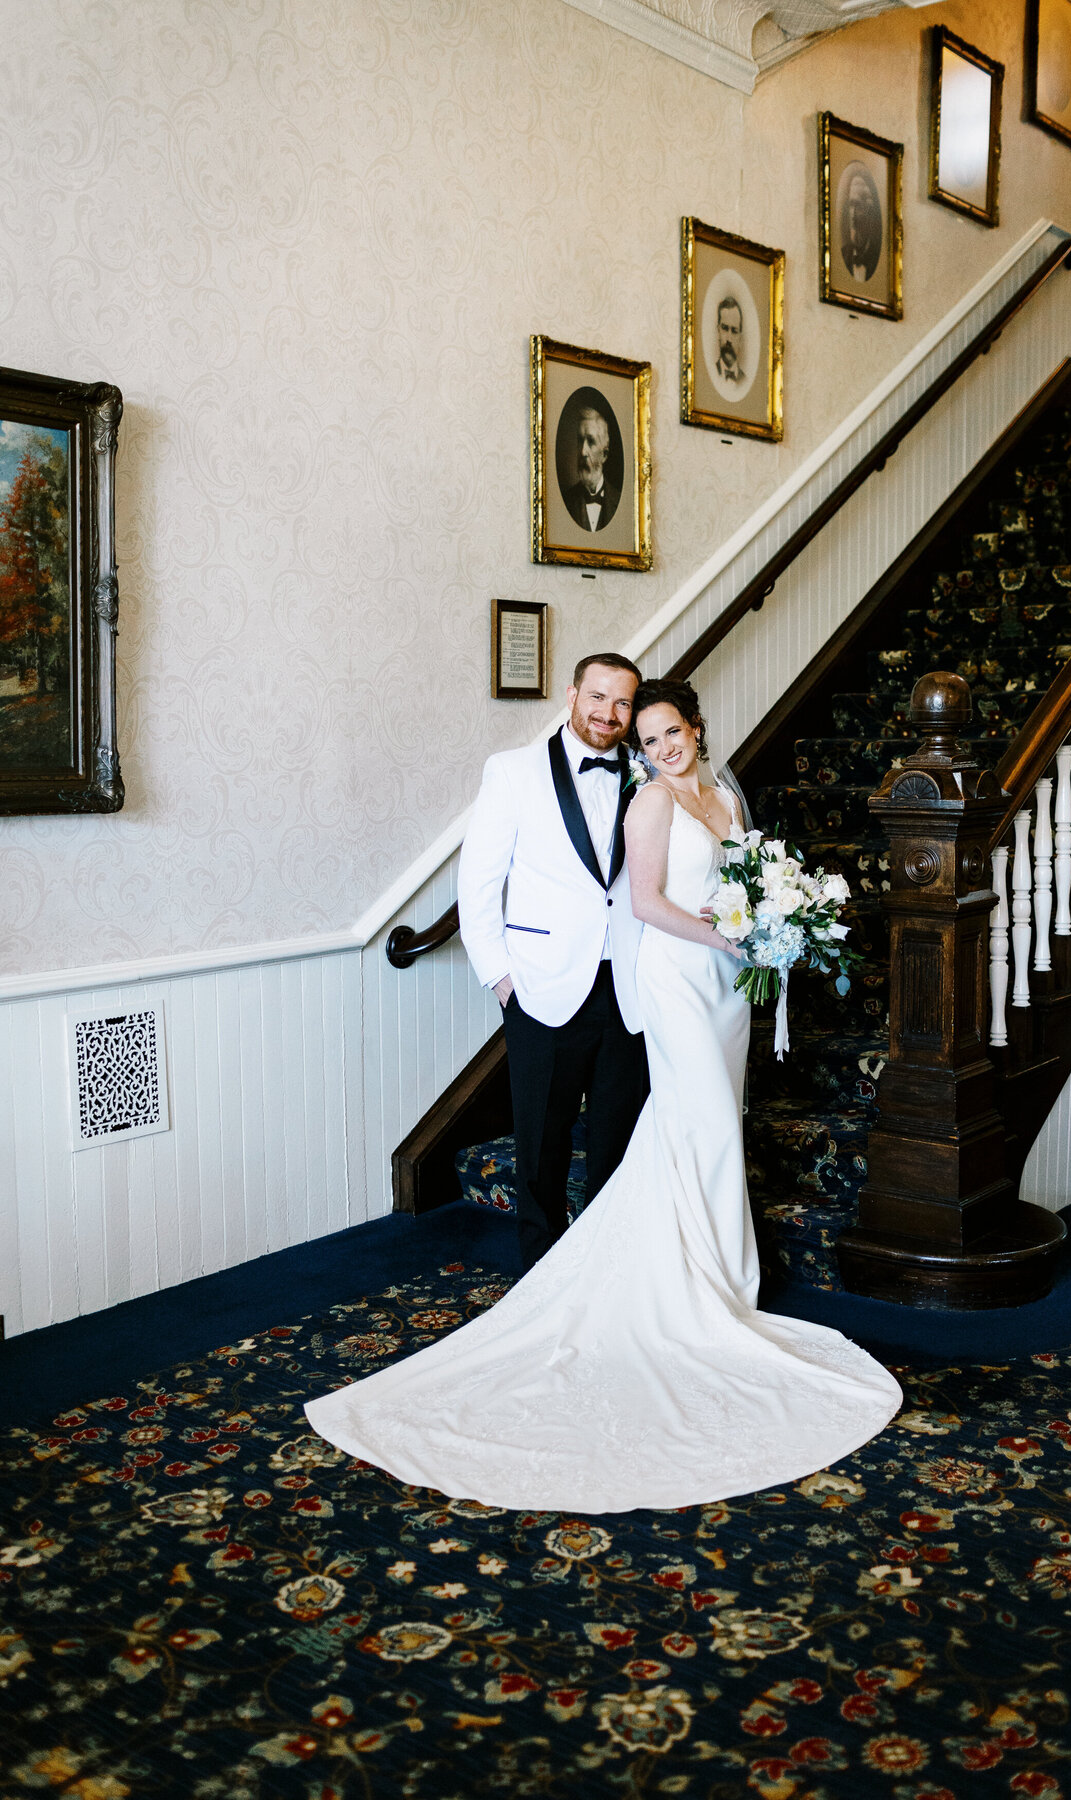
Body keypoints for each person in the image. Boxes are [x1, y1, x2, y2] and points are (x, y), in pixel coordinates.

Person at [304, 677, 902, 1513]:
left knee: (701, 1124)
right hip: (672, 976)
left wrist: (771, 925)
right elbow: (645, 901)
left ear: (694, 728)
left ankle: (719, 1281)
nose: (658, 746)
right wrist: (722, 934)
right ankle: (703, 1290)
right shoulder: (639, 802)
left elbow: (742, 876)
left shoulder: (726, 791)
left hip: (726, 986)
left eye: (667, 732)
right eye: (645, 736)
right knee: (695, 1124)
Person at [457, 652, 648, 1270]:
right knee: (541, 1142)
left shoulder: (648, 774)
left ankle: (601, 1272)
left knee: (616, 1139)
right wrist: (501, 979)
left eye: (623, 703)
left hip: (628, 984)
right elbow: (478, 884)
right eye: (598, 698)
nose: (609, 714)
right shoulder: (512, 772)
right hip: (539, 986)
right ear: (572, 696)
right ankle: (540, 1277)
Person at [561, 406, 620, 532]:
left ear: (604, 455)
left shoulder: (621, 503)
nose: (583, 452)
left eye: (591, 442)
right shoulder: (565, 502)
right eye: (580, 440)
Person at [841, 166, 882, 283]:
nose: (852, 214)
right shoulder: (845, 254)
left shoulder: (876, 257)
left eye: (858, 206)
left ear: (869, 211)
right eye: (851, 205)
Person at [714, 295, 745, 386]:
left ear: (740, 338)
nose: (729, 339)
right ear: (718, 331)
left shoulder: (745, 381)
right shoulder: (709, 373)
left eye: (734, 331)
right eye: (725, 329)